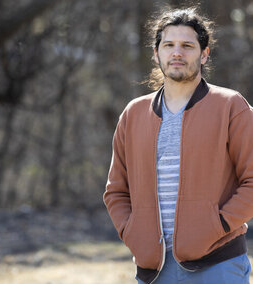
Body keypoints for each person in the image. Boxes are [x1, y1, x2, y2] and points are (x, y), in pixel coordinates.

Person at [103, 6, 253, 284]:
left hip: (217, 264)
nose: (177, 53)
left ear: (204, 53)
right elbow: (116, 191)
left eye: (187, 45)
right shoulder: (133, 113)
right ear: (156, 53)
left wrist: (218, 224)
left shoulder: (231, 106)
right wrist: (130, 230)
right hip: (153, 269)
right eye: (168, 45)